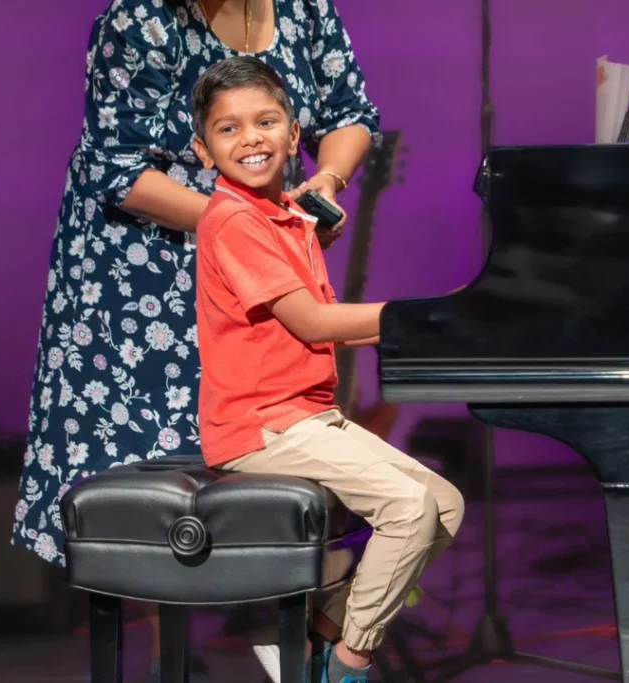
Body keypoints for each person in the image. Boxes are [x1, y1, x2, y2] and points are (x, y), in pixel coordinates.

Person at [12, 0, 378, 678]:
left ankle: (298, 638)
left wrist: (326, 180)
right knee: (152, 476)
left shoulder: (304, 7)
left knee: (294, 456)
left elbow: (350, 110)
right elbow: (118, 170)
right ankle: (167, 664)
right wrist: (254, 224)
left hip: (252, 270)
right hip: (139, 287)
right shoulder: (139, 20)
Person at [191, 56, 465, 683]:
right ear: (204, 151)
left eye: (266, 122)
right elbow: (313, 324)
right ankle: (347, 665)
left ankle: (310, 644)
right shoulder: (232, 220)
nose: (250, 138)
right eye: (227, 130)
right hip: (261, 426)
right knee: (408, 511)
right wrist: (423, 316)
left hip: (308, 416)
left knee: (444, 505)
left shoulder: (286, 216)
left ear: (295, 137)